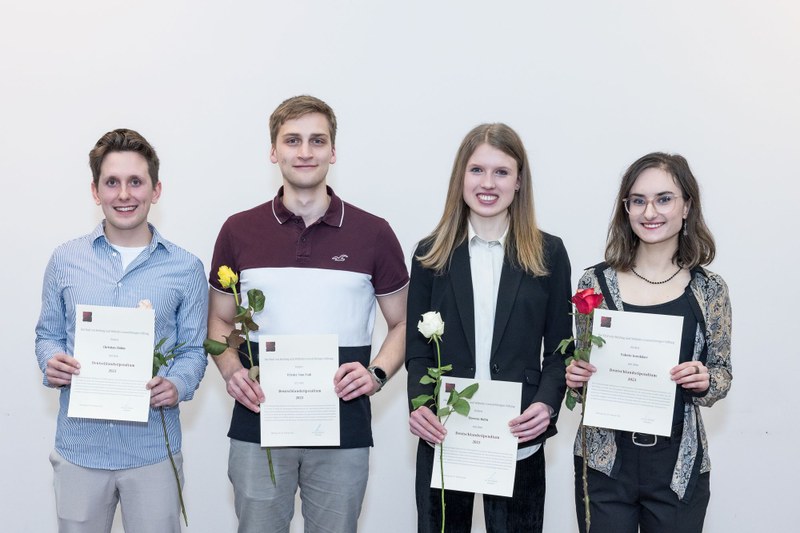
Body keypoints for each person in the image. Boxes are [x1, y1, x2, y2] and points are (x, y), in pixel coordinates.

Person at [207, 95, 409, 533]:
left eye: (317, 141)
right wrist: (230, 371)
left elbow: (403, 323)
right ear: (273, 151)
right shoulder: (238, 230)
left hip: (343, 426)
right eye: (292, 140)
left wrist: (376, 374)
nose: (305, 152)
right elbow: (220, 320)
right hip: (258, 423)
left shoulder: (374, 233)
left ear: (333, 152)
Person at [35, 128, 209, 532]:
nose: (124, 194)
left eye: (136, 181)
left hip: (153, 453)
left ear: (156, 188)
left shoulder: (185, 268)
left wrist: (178, 384)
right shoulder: (65, 260)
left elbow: (193, 351)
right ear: (95, 191)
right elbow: (47, 334)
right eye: (112, 182)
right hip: (80, 449)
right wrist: (51, 361)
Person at [406, 123, 573, 532]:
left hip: (518, 438)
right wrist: (420, 405)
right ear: (460, 177)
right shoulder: (430, 255)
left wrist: (547, 404)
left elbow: (560, 349)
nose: (488, 183)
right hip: (445, 437)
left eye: (501, 172)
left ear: (519, 182)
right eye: (477, 170)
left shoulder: (549, 253)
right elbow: (416, 350)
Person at [565, 152, 732, 533]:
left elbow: (722, 373)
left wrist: (706, 380)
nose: (649, 211)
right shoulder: (594, 284)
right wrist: (576, 376)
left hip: (677, 464)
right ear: (626, 208)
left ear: (687, 205)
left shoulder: (710, 290)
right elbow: (582, 369)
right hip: (605, 462)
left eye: (664, 198)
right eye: (637, 200)